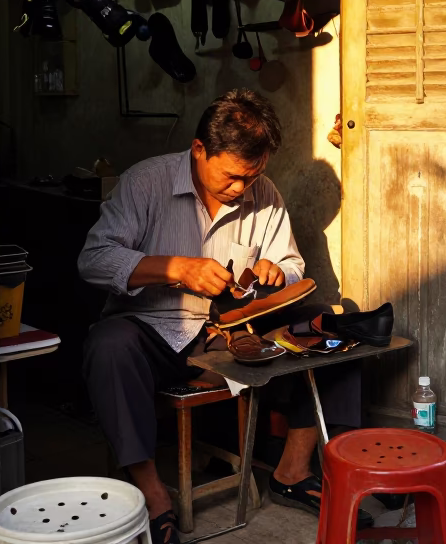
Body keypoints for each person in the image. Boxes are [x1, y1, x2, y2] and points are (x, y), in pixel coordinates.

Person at [78, 89, 366, 544]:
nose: (241, 190)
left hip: (226, 335)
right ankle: (154, 498)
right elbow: (93, 260)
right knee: (108, 345)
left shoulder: (264, 194)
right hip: (150, 331)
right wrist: (175, 268)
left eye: (252, 178)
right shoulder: (144, 183)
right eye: (232, 177)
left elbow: (292, 265)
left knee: (326, 324)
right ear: (199, 150)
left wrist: (277, 272)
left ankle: (292, 471)